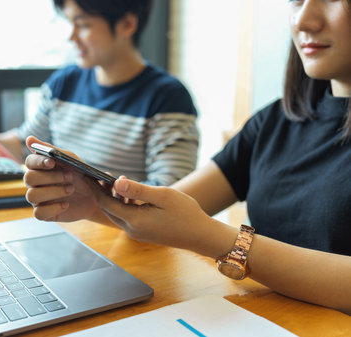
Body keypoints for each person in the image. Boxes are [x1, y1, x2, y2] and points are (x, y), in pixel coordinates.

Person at [23, 0, 351, 314]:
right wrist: (91, 201)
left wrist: (215, 238)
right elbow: (164, 211)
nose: (303, 20)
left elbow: (195, 228)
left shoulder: (164, 94)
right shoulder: (275, 121)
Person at [0, 0, 199, 186]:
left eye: (82, 24)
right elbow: (26, 145)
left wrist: (89, 194)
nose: (71, 37)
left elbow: (170, 193)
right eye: (69, 23)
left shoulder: (167, 98)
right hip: (67, 225)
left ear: (127, 24)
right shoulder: (64, 83)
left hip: (126, 238)